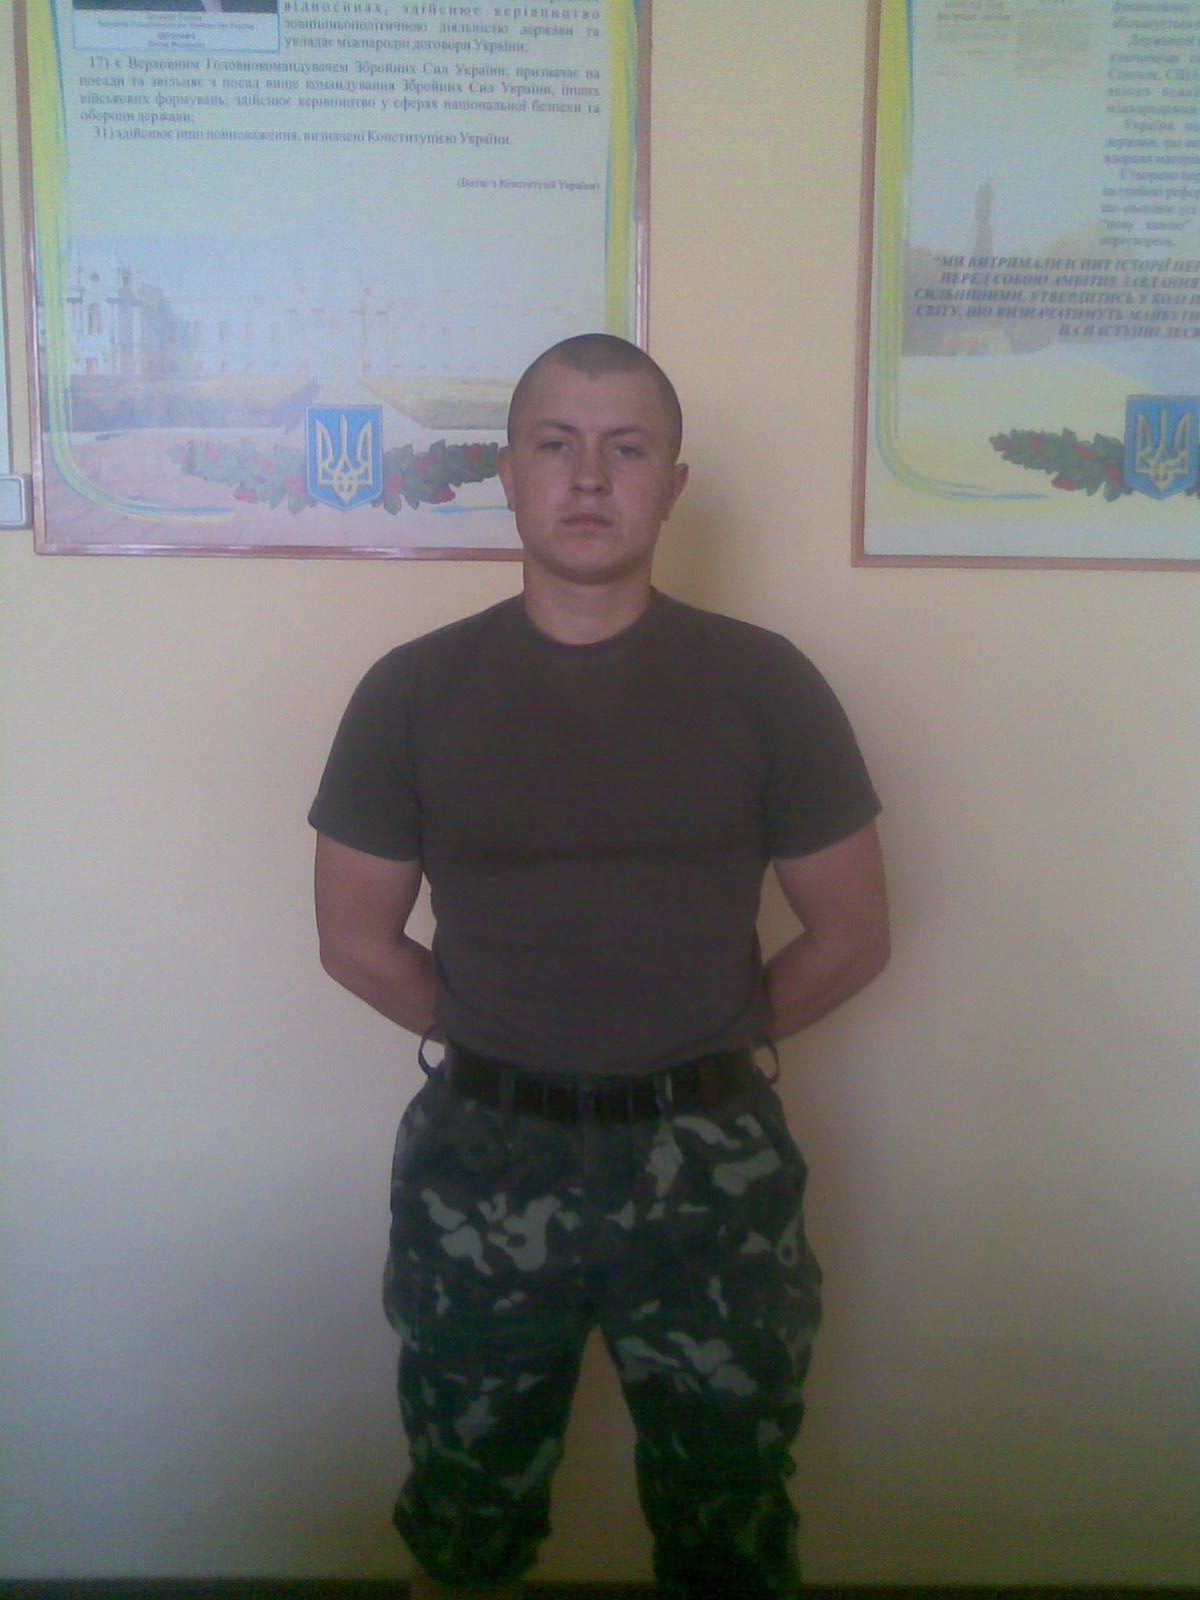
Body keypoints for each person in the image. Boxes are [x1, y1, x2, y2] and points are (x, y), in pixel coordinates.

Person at [309, 334, 889, 1599]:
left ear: (671, 484)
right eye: (556, 445)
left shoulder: (768, 683)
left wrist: (708, 1035)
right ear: (507, 473)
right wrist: (504, 1030)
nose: (588, 477)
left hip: (713, 1168)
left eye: (626, 449)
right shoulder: (411, 692)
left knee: (731, 1524)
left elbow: (853, 935)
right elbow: (354, 940)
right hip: (483, 1156)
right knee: (465, 1518)